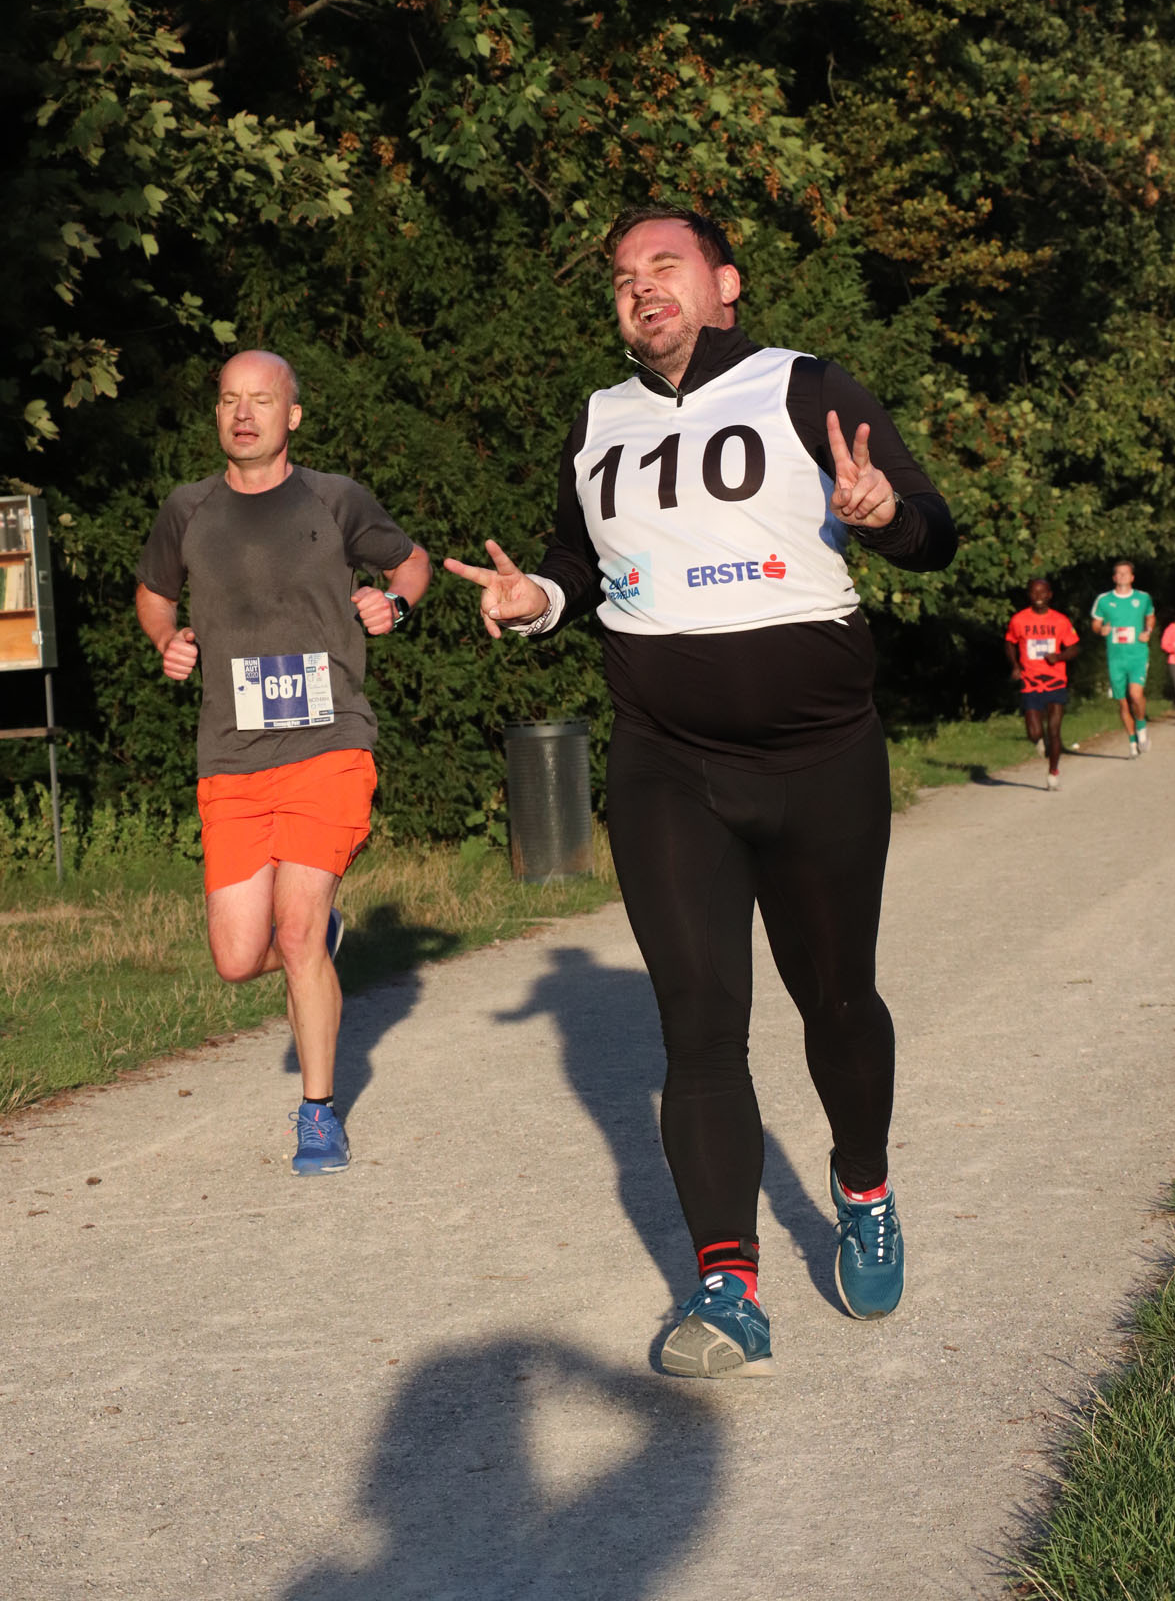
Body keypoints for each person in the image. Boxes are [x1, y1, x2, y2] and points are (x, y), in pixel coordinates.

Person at [445, 206, 957, 1377]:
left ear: (725, 283)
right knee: (700, 1026)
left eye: (664, 265)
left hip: (820, 756)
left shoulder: (805, 385)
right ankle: (728, 1287)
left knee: (838, 1001)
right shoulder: (598, 420)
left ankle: (863, 1186)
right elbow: (576, 564)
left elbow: (936, 531)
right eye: (623, 276)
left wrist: (885, 517)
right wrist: (539, 602)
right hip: (668, 763)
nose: (640, 287)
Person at [135, 350, 430, 1173]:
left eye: (261, 400)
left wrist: (394, 602)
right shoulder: (187, 509)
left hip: (327, 744)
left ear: (291, 415)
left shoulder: (335, 499)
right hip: (231, 756)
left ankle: (318, 1112)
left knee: (294, 932)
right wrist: (167, 639)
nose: (243, 414)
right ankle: (321, 939)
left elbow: (410, 562)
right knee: (237, 957)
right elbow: (155, 594)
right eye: (230, 399)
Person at [1004, 578, 1081, 790]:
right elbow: (1009, 643)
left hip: (1056, 681)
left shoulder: (1060, 621)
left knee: (1054, 731)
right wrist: (1015, 665)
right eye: (1034, 592)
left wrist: (1059, 657)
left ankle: (1053, 772)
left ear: (1049, 595)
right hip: (1030, 681)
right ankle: (1040, 741)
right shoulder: (1019, 620)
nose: (1038, 596)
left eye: (1042, 592)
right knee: (1034, 733)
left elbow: (1074, 648)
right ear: (1029, 595)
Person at [1091, 560, 1155, 756]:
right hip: (1116, 658)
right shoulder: (1104, 600)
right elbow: (1095, 623)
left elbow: (1150, 616)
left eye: (1125, 573)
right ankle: (1132, 742)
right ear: (1114, 577)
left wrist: (1148, 631)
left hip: (1137, 654)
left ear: (1132, 577)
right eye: (1118, 573)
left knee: (1135, 694)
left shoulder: (1143, 598)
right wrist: (1100, 630)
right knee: (1123, 702)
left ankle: (1141, 728)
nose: (1122, 576)